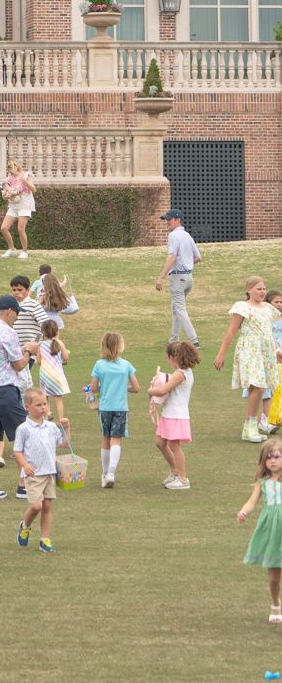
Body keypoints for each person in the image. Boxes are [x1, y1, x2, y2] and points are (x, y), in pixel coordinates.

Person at [0, 294, 40, 500]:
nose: (16, 319)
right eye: (16, 315)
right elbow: (18, 364)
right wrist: (29, 351)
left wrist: (21, 351)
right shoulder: (8, 332)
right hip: (5, 390)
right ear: (10, 311)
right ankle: (23, 485)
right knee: (25, 436)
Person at [215, 277, 282, 444]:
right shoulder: (242, 307)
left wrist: (276, 350)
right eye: (258, 288)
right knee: (258, 387)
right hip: (249, 350)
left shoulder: (268, 308)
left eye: (263, 289)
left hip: (266, 352)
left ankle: (249, 428)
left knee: (260, 387)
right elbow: (231, 331)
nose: (262, 292)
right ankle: (251, 425)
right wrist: (221, 354)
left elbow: (268, 333)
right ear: (249, 290)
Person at [237, 439, 282, 623]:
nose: (272, 461)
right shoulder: (262, 483)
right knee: (274, 576)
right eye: (268, 458)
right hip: (272, 530)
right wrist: (243, 511)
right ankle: (275, 603)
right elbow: (252, 502)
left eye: (277, 456)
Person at [13, 389, 63, 552]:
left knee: (47, 506)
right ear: (27, 406)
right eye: (38, 405)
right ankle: (25, 526)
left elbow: (61, 443)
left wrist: (66, 428)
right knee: (36, 506)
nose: (43, 408)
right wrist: (24, 464)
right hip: (33, 473)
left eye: (45, 404)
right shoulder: (23, 428)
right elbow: (17, 450)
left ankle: (45, 539)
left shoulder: (51, 427)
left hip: (49, 472)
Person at [91, 332, 140, 488]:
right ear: (120, 346)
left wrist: (101, 388)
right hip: (120, 407)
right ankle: (111, 472)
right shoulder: (126, 365)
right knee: (116, 439)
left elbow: (93, 387)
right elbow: (137, 388)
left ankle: (105, 473)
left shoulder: (99, 364)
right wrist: (124, 388)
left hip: (105, 407)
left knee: (106, 438)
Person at [148, 340, 197, 490]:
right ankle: (175, 472)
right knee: (161, 443)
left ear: (173, 357)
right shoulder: (180, 373)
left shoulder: (181, 374)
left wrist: (150, 391)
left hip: (176, 415)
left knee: (175, 445)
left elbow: (163, 390)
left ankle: (182, 479)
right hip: (169, 414)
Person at [154, 208, 202, 344]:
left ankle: (194, 340)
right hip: (188, 278)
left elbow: (172, 257)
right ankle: (174, 339)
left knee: (179, 309)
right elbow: (198, 257)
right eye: (166, 220)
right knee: (176, 309)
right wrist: (186, 263)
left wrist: (161, 277)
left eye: (169, 220)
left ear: (177, 220)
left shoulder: (173, 236)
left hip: (178, 278)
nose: (167, 222)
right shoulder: (187, 235)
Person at [38, 320, 72, 436]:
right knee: (58, 399)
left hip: (45, 374)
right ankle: (61, 420)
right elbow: (66, 358)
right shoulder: (59, 343)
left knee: (45, 398)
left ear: (43, 331)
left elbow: (38, 361)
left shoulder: (41, 344)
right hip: (57, 374)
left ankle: (47, 414)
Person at [0, 162, 36, 256]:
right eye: (8, 167)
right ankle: (12, 249)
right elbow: (4, 197)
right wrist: (8, 195)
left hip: (25, 204)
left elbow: (34, 189)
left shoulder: (25, 175)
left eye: (11, 166)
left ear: (16, 166)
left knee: (20, 229)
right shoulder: (8, 180)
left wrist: (25, 181)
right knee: (4, 228)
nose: (9, 168)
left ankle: (24, 251)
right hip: (13, 205)